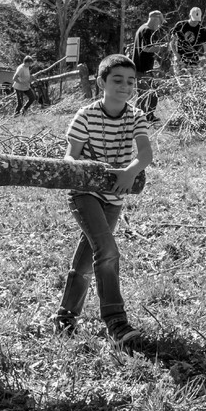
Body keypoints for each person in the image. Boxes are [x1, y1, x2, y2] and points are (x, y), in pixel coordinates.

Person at [52, 53, 154, 344]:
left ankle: (65, 317)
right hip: (84, 194)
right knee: (107, 250)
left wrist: (130, 172)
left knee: (87, 258)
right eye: (117, 80)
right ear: (101, 82)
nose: (125, 86)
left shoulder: (136, 116)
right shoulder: (86, 115)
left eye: (130, 81)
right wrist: (71, 164)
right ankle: (116, 321)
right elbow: (71, 153)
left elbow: (145, 154)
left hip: (114, 198)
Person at [132, 11, 164, 121]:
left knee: (153, 93)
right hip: (142, 68)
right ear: (155, 19)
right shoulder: (146, 31)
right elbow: (145, 48)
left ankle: (149, 116)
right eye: (159, 22)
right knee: (143, 94)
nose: (159, 25)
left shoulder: (143, 28)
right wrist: (161, 48)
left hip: (146, 67)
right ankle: (136, 118)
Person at [171, 7, 206, 72]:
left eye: (197, 20)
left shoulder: (202, 30)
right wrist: (176, 54)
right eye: (193, 19)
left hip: (194, 60)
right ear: (189, 15)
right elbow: (172, 42)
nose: (195, 22)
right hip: (180, 59)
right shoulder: (180, 25)